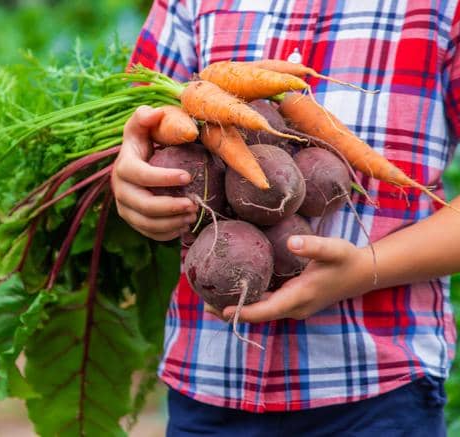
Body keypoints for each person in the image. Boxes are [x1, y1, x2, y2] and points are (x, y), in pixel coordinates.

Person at [112, 1, 457, 434]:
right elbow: (138, 116)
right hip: (211, 381)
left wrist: (364, 269)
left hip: (380, 386)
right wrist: (129, 178)